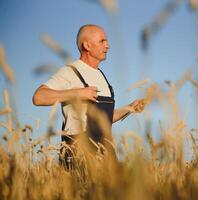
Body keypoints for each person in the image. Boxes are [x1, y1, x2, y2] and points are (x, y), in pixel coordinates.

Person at [32, 24, 144, 167]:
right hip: (78, 152)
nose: (108, 46)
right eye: (102, 41)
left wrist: (129, 108)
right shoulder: (71, 71)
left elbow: (104, 118)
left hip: (106, 153)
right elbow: (39, 97)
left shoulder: (101, 75)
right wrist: (77, 93)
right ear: (87, 45)